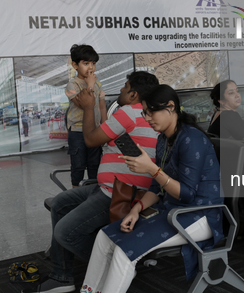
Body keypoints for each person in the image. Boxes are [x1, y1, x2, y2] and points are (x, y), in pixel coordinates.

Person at [24, 72, 159, 293]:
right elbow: (109, 134)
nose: (121, 91)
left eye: (125, 87)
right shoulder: (139, 115)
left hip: (117, 194)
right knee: (60, 203)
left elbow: (90, 140)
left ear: (134, 94)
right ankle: (62, 277)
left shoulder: (129, 112)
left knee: (65, 231)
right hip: (105, 188)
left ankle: (120, 265)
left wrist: (88, 108)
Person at [80, 85, 224, 293]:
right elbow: (157, 187)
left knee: (124, 250)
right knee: (104, 236)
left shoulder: (191, 140)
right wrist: (136, 210)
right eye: (144, 113)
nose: (147, 118)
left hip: (200, 214)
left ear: (171, 107)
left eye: (150, 112)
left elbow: (187, 194)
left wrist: (152, 169)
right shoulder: (164, 139)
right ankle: (89, 291)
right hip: (172, 211)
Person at [65, 44, 107, 187]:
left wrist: (106, 128)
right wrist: (89, 85)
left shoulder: (98, 85)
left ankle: (93, 192)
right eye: (86, 63)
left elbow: (102, 107)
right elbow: (84, 103)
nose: (91, 67)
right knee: (78, 165)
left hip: (94, 131)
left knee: (95, 164)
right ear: (75, 65)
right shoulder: (72, 84)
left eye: (93, 63)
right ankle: (76, 193)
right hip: (77, 132)